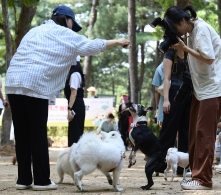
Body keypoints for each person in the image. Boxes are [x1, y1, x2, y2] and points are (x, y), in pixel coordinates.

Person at [5, 4, 129, 191]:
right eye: (72, 23)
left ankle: (23, 179)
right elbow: (90, 45)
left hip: (13, 80)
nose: (72, 28)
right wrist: (118, 41)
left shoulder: (34, 31)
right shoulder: (64, 33)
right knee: (38, 131)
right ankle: (41, 180)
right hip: (35, 82)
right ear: (66, 19)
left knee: (22, 132)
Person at [163, 5, 221, 190]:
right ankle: (197, 171)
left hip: (213, 89)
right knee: (194, 133)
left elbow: (208, 58)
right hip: (201, 89)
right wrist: (179, 47)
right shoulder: (191, 33)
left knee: (204, 134)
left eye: (175, 28)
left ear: (183, 21)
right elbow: (189, 57)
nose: (176, 32)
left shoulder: (201, 30)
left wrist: (184, 47)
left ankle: (203, 180)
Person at [156, 47, 191, 176]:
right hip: (174, 94)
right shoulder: (170, 53)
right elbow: (166, 78)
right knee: (168, 130)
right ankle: (160, 165)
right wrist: (165, 100)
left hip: (189, 94)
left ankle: (184, 167)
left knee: (186, 131)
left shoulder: (188, 51)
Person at [64, 56, 85, 147]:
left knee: (74, 133)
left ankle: (74, 157)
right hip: (78, 105)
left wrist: (69, 109)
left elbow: (74, 93)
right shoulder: (79, 74)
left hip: (75, 105)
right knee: (77, 132)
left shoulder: (74, 75)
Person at [151, 62, 164, 128]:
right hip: (181, 100)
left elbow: (157, 91)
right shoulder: (183, 63)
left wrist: (157, 108)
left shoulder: (160, 68)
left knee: (166, 132)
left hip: (164, 105)